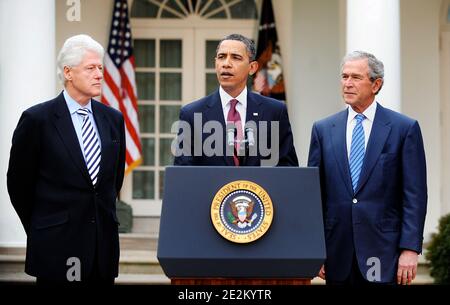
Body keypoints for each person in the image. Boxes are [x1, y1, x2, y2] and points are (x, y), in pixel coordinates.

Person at [7, 34, 126, 284]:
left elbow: (113, 181)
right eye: (90, 68)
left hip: (101, 252)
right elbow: (19, 185)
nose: (99, 74)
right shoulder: (37, 120)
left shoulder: (113, 119)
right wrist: (44, 227)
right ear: (68, 73)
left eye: (100, 68)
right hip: (55, 249)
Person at [308, 51, 427, 285]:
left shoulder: (404, 128)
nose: (347, 84)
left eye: (355, 77)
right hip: (337, 252)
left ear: (376, 84)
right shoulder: (323, 129)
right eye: (344, 77)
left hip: (385, 252)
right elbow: (314, 195)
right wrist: (314, 249)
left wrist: (410, 249)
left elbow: (414, 195)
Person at [174, 33, 298, 167]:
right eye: (221, 57)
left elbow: (288, 170)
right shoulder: (192, 114)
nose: (226, 64)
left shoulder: (274, 111)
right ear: (215, 64)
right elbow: (183, 174)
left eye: (236, 57)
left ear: (252, 68)